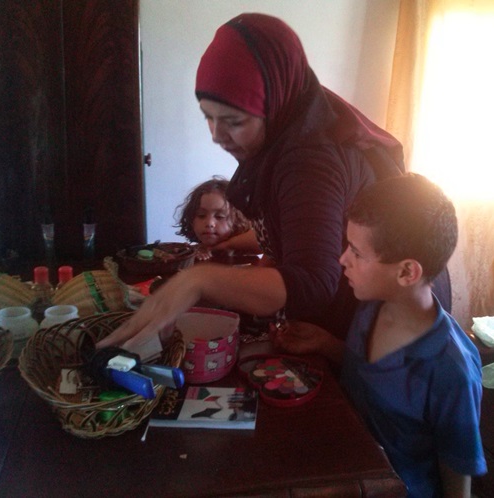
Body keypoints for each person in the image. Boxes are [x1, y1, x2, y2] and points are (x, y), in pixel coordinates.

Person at [98, 12, 408, 352]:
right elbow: (293, 225)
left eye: (233, 121)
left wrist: (198, 281)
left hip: (377, 333)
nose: (217, 135)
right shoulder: (290, 127)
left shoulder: (309, 161)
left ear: (274, 103)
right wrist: (228, 245)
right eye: (209, 117)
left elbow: (313, 283)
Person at [274, 173, 486, 497]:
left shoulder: (451, 371)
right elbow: (374, 379)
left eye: (356, 252)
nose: (342, 259)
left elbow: (458, 483)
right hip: (346, 464)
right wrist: (327, 344)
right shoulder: (372, 306)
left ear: (406, 272)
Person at [174, 176, 259, 261]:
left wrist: (224, 245)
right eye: (201, 215)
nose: (209, 223)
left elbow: (262, 240)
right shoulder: (193, 252)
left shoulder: (244, 249)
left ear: (238, 220)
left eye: (220, 216)